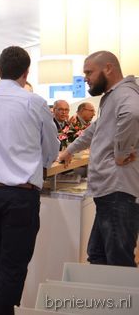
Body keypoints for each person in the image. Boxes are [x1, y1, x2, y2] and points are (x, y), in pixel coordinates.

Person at [0, 46, 59, 315]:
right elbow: (51, 148)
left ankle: (4, 308)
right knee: (14, 263)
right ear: (26, 73)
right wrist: (42, 163)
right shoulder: (34, 102)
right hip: (20, 193)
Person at [58, 51, 139, 267]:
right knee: (97, 254)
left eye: (89, 72)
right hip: (110, 191)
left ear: (108, 69)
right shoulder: (113, 96)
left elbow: (132, 114)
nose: (85, 78)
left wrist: (121, 153)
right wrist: (69, 151)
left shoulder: (124, 94)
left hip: (118, 190)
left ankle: (121, 292)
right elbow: (95, 129)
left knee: (118, 260)